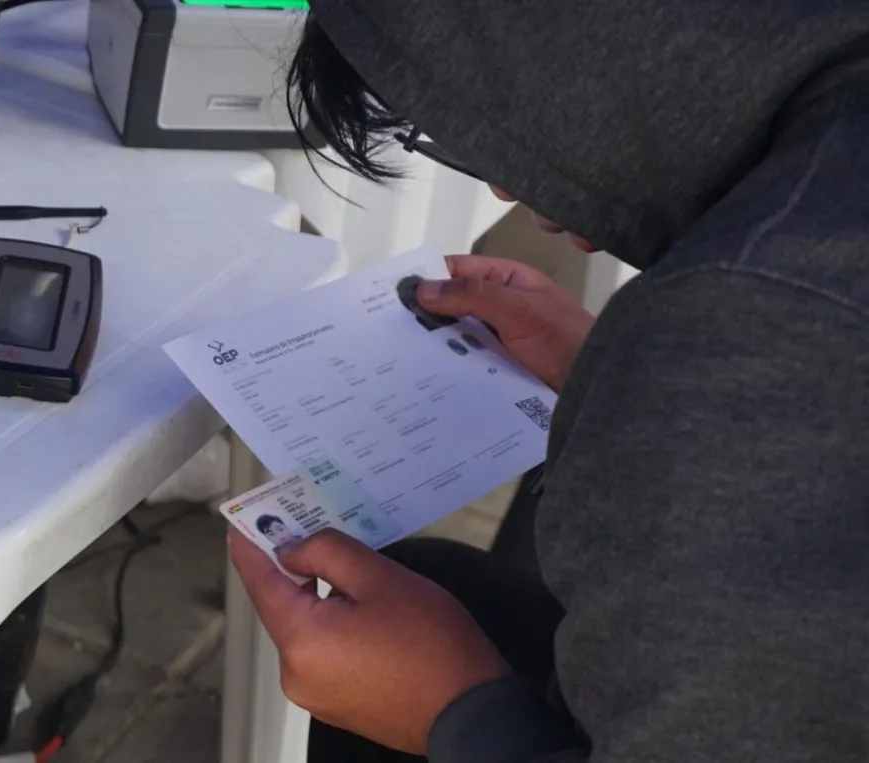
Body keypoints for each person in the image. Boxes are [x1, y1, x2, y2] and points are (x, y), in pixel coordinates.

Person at [227, 2, 869, 762]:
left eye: (479, 122)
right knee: (443, 586)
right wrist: (621, 377)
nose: (505, 191)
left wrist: (450, 712)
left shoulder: (753, 325)